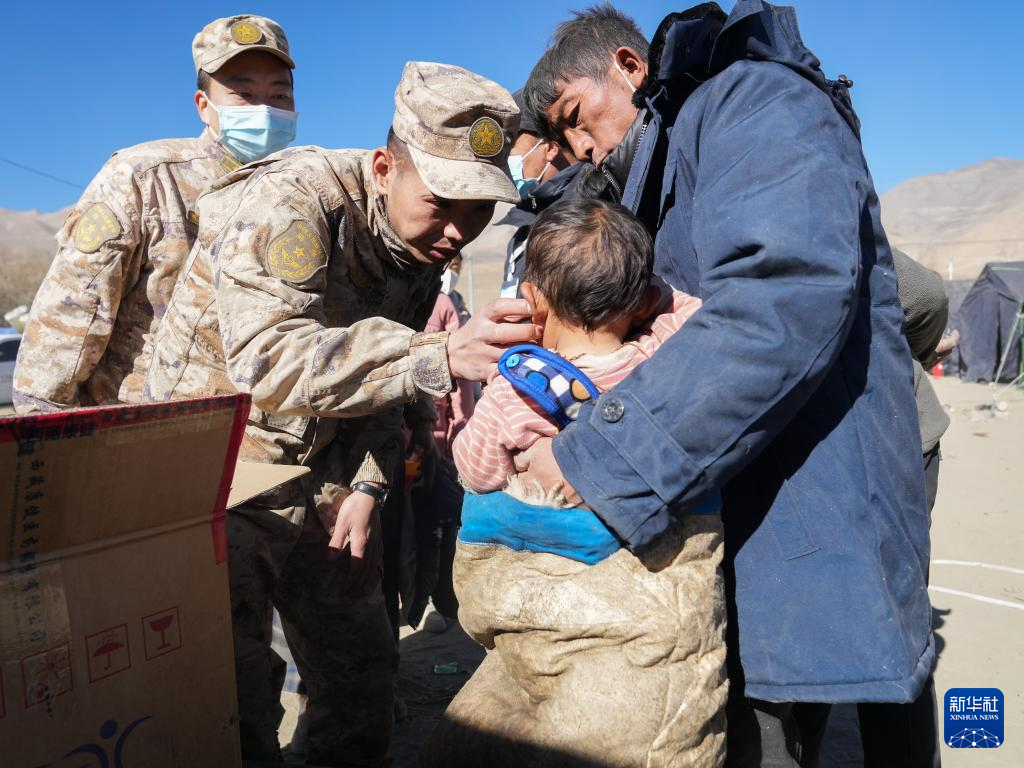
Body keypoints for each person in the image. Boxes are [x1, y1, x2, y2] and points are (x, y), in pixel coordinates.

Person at [520, 3, 934, 765]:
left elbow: (780, 300)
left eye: (577, 117)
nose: (580, 146)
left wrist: (600, 459)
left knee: (799, 729)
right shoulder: (651, 174)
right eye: (563, 137)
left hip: (807, 506)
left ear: (628, 66)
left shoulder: (753, 102)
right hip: (737, 510)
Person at [143, 61, 535, 764]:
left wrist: (367, 486)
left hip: (321, 460)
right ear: (385, 168)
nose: (458, 230)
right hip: (221, 465)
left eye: (479, 208)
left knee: (361, 675)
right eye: (442, 201)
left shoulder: (419, 245)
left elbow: (380, 384)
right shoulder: (295, 197)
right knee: (233, 694)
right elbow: (268, 360)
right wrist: (440, 354)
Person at [423, 198, 724, 767]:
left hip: (540, 593)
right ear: (641, 300)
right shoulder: (663, 357)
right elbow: (693, 310)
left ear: (531, 297)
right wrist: (646, 297)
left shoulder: (516, 390)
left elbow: (475, 469)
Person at [13, 15, 297, 413]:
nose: (264, 109)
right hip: (141, 425)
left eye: (279, 96)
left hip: (254, 429)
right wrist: (44, 425)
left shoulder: (299, 191)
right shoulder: (145, 177)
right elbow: (74, 308)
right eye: (244, 94)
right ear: (204, 106)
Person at [498, 89, 580, 299]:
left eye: (510, 145)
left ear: (550, 148)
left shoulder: (586, 217)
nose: (503, 159)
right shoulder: (525, 225)